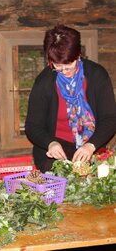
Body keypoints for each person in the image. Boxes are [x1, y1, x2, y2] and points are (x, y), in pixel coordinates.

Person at [25, 24, 116, 173]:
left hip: (92, 146)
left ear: (78, 55)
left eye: (68, 66)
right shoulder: (44, 81)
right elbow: (32, 126)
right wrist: (50, 143)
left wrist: (91, 145)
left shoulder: (97, 75)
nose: (64, 72)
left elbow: (110, 118)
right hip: (56, 151)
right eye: (57, 67)